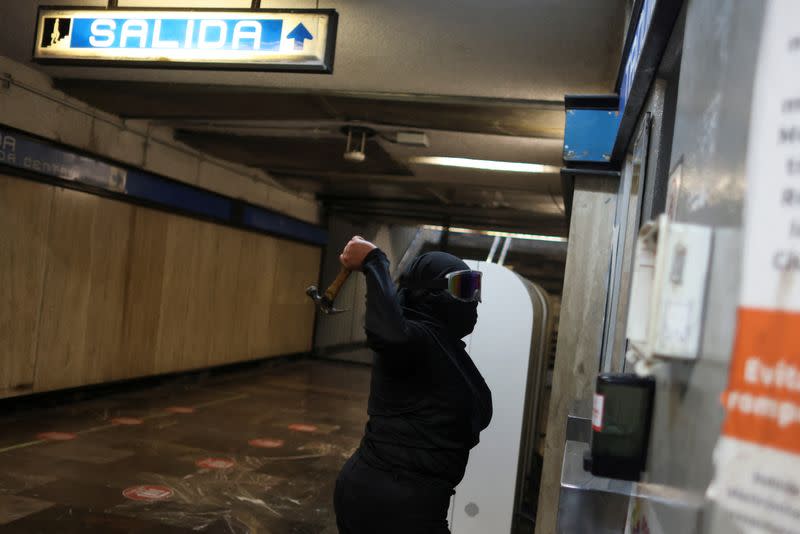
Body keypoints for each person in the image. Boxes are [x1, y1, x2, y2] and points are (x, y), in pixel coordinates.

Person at [334, 236, 493, 534]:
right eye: (462, 289)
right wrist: (374, 262)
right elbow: (387, 333)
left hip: (414, 502)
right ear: (428, 294)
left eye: (474, 289)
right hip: (387, 504)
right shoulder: (414, 339)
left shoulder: (443, 345)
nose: (471, 300)